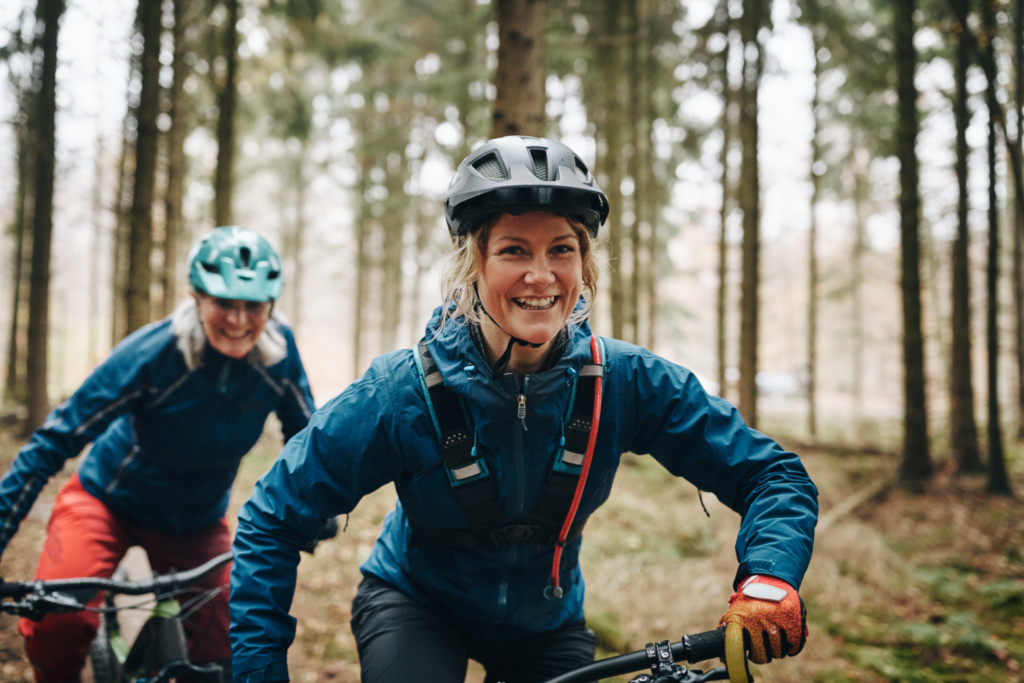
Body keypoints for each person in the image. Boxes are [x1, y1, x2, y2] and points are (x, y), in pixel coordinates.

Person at [228, 136, 818, 683]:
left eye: (561, 249)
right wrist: (257, 671)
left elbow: (772, 474)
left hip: (546, 623)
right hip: (415, 603)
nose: (541, 275)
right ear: (473, 265)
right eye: (514, 250)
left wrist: (767, 575)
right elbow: (273, 516)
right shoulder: (399, 390)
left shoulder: (627, 380)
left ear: (584, 264)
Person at [0, 226, 316, 683]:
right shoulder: (152, 354)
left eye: (254, 307)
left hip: (197, 523)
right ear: (196, 296)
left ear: (271, 306)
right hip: (105, 502)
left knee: (231, 645)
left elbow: (307, 435)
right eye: (224, 303)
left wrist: (315, 505)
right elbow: (55, 439)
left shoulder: (278, 358)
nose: (238, 320)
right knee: (61, 622)